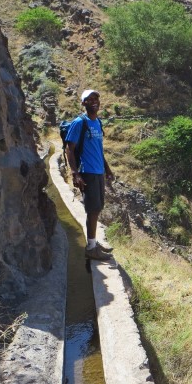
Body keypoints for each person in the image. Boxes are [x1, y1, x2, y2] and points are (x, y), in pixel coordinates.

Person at [65, 89, 115, 261]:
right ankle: (91, 248)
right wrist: (75, 173)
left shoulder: (97, 123)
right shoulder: (80, 122)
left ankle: (93, 242)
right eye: (90, 99)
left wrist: (107, 170)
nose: (94, 101)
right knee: (93, 210)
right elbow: (69, 149)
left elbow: (98, 150)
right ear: (83, 103)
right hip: (87, 172)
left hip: (98, 172)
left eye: (96, 98)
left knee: (97, 208)